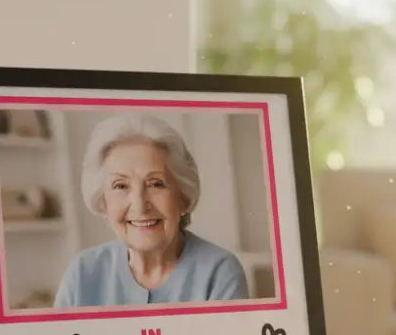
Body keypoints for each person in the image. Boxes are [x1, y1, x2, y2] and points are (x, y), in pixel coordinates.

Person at [54, 113, 249, 307]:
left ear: (183, 197)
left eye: (155, 184)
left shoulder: (219, 271)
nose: (139, 205)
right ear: (103, 202)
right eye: (120, 186)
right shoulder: (82, 274)